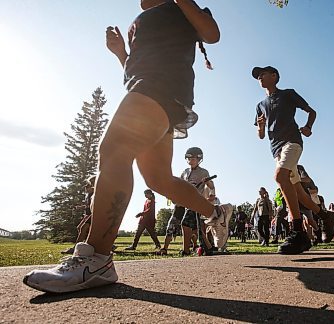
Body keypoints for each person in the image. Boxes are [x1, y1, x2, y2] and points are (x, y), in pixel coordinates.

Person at [23, 0, 232, 293]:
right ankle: (216, 213)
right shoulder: (140, 19)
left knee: (114, 149)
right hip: (148, 90)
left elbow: (211, 34)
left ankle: (96, 257)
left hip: (163, 88)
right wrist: (121, 53)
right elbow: (134, 70)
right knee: (158, 179)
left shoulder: (177, 5)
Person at [252, 65, 328, 254]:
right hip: (276, 149)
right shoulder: (260, 105)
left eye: (263, 74)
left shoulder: (288, 94)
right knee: (297, 191)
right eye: (258, 76)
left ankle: (298, 231)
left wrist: (308, 127)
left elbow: (312, 111)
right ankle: (325, 216)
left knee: (279, 177)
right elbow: (261, 135)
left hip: (292, 142)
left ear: (274, 76)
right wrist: (260, 126)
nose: (260, 77)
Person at [61, 176, 96, 254]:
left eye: (92, 183)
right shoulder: (90, 194)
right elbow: (89, 205)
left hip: (94, 214)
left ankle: (77, 248)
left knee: (83, 228)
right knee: (81, 228)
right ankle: (83, 246)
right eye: (90, 183)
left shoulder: (96, 191)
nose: (91, 185)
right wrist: (81, 207)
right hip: (89, 214)